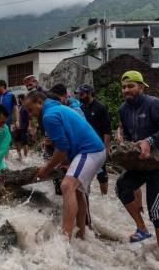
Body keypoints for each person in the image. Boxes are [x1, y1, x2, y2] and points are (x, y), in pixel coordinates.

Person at [24, 91, 106, 240]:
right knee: (78, 191)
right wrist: (67, 163)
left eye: (31, 110)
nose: (30, 114)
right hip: (92, 151)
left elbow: (62, 149)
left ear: (39, 103)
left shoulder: (49, 116)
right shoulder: (57, 109)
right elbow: (68, 141)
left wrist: (46, 170)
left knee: (67, 186)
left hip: (89, 151)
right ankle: (82, 233)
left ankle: (65, 237)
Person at [115, 70, 159, 247]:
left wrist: (149, 140)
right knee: (122, 187)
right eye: (124, 87)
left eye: (131, 86)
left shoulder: (154, 104)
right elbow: (127, 135)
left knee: (155, 210)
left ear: (141, 87)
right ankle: (142, 228)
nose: (126, 90)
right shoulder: (123, 109)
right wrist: (126, 146)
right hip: (141, 162)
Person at [76, 83, 112, 195]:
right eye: (79, 94)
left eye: (81, 94)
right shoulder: (80, 108)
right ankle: (87, 198)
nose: (79, 97)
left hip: (99, 146)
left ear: (90, 93)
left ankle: (104, 198)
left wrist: (106, 148)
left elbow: (107, 129)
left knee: (102, 174)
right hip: (84, 146)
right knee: (85, 174)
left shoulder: (100, 107)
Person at [14, 94, 30, 162]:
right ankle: (20, 156)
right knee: (17, 141)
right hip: (18, 128)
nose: (17, 100)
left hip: (24, 127)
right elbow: (18, 117)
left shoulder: (26, 107)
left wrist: (29, 126)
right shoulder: (19, 106)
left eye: (18, 99)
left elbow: (29, 118)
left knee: (25, 143)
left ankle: (26, 157)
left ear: (20, 99)